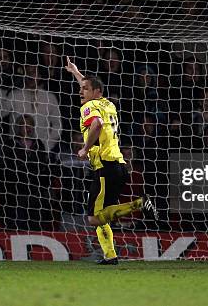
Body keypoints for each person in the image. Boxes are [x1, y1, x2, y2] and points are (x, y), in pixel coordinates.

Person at [64, 57, 157, 265]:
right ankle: (111, 255)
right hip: (118, 165)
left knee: (94, 218)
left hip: (105, 167)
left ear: (95, 93)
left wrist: (85, 148)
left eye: (85, 89)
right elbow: (91, 88)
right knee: (102, 216)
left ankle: (139, 204)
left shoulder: (89, 108)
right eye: (82, 88)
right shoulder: (109, 104)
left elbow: (96, 124)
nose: (81, 91)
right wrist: (75, 72)